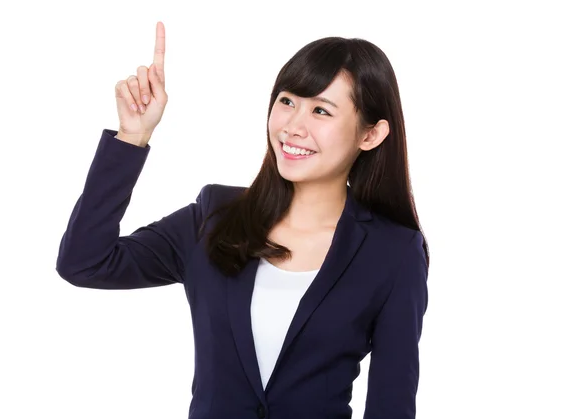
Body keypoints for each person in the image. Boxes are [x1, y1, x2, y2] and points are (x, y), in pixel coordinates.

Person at [56, 21, 430, 419]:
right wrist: (132, 138)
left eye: (321, 110)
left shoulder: (393, 252)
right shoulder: (215, 217)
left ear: (370, 135)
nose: (292, 126)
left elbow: (392, 406)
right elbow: (85, 262)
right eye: (286, 101)